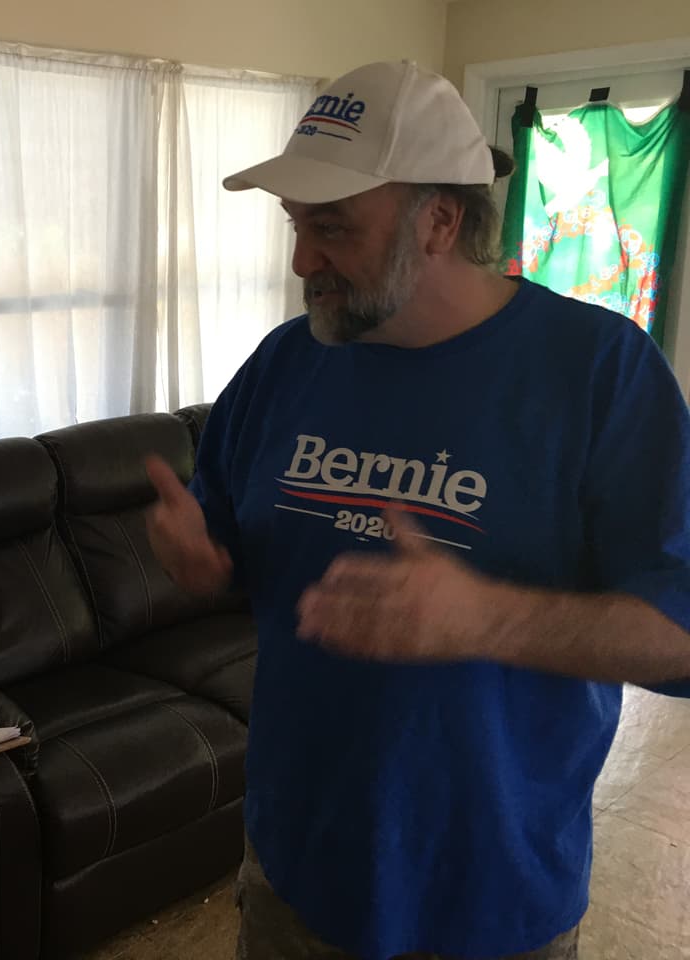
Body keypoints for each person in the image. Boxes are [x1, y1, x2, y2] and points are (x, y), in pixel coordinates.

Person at [144, 60, 690, 960]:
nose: (301, 261)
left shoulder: (599, 372)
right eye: (294, 224)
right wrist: (203, 563)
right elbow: (231, 544)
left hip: (491, 900)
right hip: (293, 872)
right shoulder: (286, 364)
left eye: (333, 227)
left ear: (440, 220)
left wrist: (487, 618)